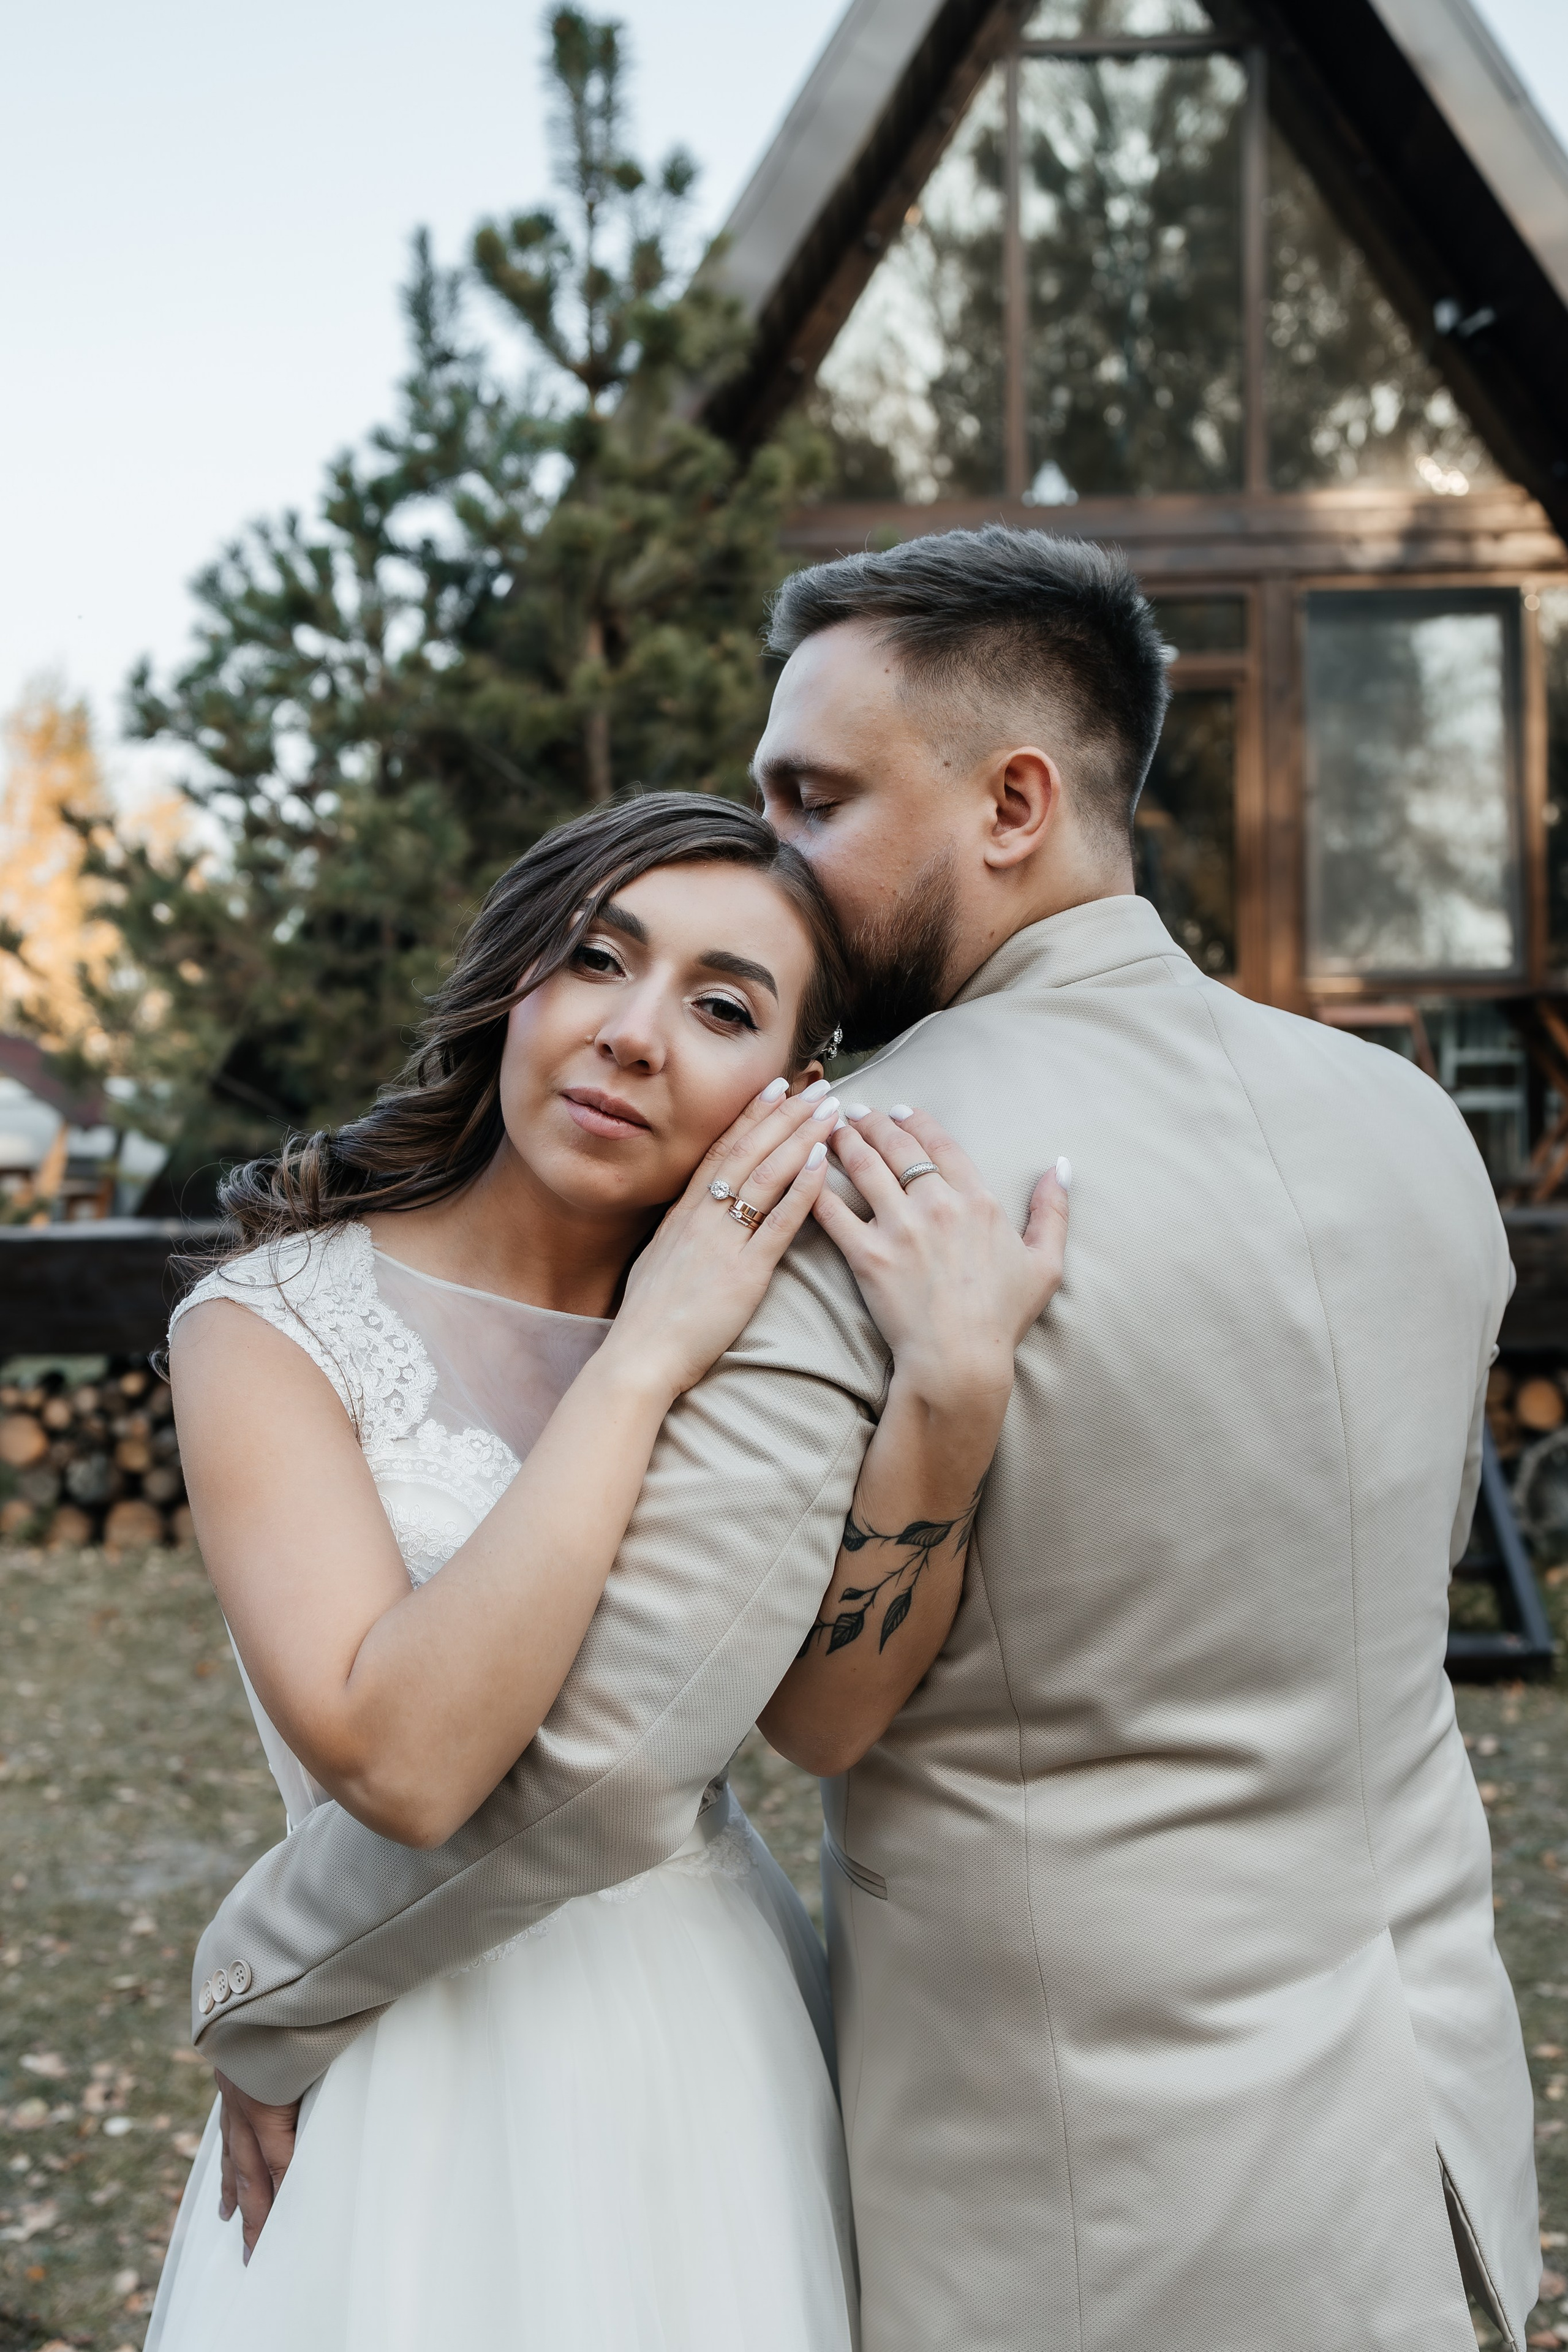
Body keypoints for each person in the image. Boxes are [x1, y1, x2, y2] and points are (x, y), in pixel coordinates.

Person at [183, 527, 1539, 2352]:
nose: (779, 852)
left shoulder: (871, 1170)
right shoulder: (1409, 1128)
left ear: (1014, 803)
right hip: (1433, 2148)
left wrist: (268, 1982)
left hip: (1073, 2190)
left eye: (811, 798)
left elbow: (621, 1750)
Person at [145, 790, 1067, 2352]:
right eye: (595, 959)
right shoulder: (269, 1327)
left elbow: (826, 1725)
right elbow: (406, 1761)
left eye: (719, 1006)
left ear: (791, 1089)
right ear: (518, 981)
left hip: (701, 2037)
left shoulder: (786, 1333)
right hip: (401, 2035)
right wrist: (647, 1356)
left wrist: (950, 1397)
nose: (634, 1034)